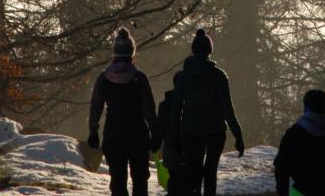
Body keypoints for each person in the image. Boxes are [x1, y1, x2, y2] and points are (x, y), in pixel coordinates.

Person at [172, 28, 245, 196]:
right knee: (210, 171)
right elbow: (227, 108)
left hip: (191, 130)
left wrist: (174, 134)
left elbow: (175, 108)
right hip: (215, 130)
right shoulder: (218, 75)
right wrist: (238, 135)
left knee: (193, 172)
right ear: (209, 51)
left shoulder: (183, 77)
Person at [88, 27, 160, 196]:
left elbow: (96, 107)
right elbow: (149, 109)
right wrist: (155, 134)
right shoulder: (139, 78)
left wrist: (93, 131)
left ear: (115, 53)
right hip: (138, 136)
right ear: (131, 53)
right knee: (140, 182)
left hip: (113, 136)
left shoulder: (104, 78)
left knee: (118, 183)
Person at [274, 89, 325, 196]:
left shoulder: (293, 134)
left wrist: (282, 193)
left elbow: (281, 168)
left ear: (305, 106)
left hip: (298, 192)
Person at [157, 76, 185, 195]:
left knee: (173, 175)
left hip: (170, 146)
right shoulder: (190, 103)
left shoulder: (164, 105)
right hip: (187, 146)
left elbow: (160, 127)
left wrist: (156, 143)